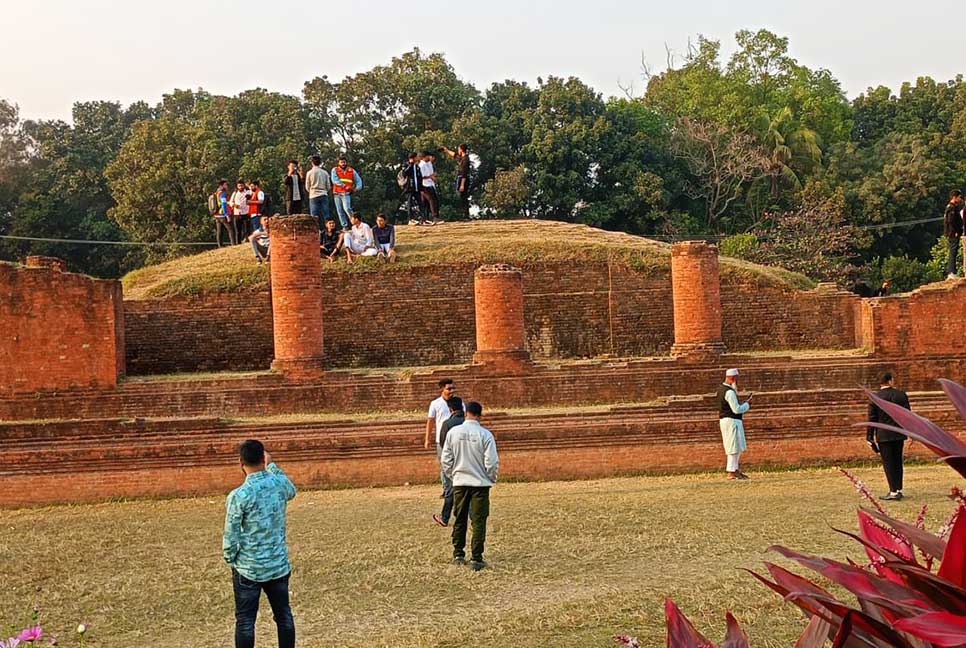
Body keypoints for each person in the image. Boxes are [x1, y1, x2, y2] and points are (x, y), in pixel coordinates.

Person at [222, 439, 297, 648]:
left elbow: (231, 534)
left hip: (249, 567)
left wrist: (231, 558)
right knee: (284, 616)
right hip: (277, 564)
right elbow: (291, 489)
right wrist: (272, 465)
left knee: (246, 621)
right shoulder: (278, 484)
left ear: (241, 462)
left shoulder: (239, 495)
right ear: (263, 459)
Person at [441, 400, 499, 571]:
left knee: (460, 518)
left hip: (460, 482)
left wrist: (453, 476)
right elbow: (492, 462)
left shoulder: (454, 432)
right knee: (479, 520)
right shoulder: (485, 435)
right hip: (480, 484)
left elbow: (446, 460)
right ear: (480, 415)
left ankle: (458, 553)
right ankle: (476, 557)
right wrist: (490, 478)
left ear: (466, 413)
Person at [867, 372, 912, 501]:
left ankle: (893, 491)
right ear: (890, 381)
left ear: (880, 382)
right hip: (898, 433)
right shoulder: (901, 395)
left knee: (888, 463)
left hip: (883, 434)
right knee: (898, 461)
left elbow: (872, 419)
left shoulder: (875, 397)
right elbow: (907, 414)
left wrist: (869, 437)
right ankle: (898, 489)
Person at [433, 395, 464, 527]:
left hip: (452, 461)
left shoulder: (447, 424)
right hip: (468, 461)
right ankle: (473, 519)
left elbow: (443, 443)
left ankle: (445, 518)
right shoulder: (469, 423)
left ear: (450, 408)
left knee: (451, 490)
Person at [717, 368, 752, 480]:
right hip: (731, 421)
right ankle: (731, 471)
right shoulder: (729, 392)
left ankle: (735, 469)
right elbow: (736, 409)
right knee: (733, 446)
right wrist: (747, 405)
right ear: (733, 378)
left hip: (726, 421)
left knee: (735, 445)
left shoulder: (721, 390)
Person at [331, 156, 363, 231]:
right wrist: (344, 186)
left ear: (346, 162)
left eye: (344, 162)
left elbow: (358, 180)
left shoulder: (351, 170)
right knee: (340, 211)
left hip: (346, 193)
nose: (343, 164)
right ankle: (345, 226)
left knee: (347, 208)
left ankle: (355, 223)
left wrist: (357, 188)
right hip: (337, 192)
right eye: (341, 162)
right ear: (338, 163)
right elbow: (334, 180)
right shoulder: (334, 170)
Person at [441, 144, 471, 217]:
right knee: (462, 196)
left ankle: (466, 214)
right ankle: (465, 214)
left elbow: (464, 173)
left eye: (458, 149)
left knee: (464, 196)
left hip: (463, 179)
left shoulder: (466, 159)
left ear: (461, 149)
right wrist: (446, 150)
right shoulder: (461, 157)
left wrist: (462, 184)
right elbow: (454, 155)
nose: (458, 151)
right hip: (461, 178)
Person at [305, 155, 332, 225]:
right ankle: (328, 229)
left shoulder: (309, 173)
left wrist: (311, 191)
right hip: (323, 193)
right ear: (320, 163)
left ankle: (315, 230)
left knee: (314, 216)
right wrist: (325, 190)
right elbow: (328, 186)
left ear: (312, 163)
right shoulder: (325, 173)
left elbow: (307, 186)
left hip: (313, 194)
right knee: (326, 214)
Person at [398, 152, 423, 225]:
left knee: (420, 203)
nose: (418, 158)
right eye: (416, 157)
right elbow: (405, 173)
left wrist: (420, 187)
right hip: (409, 188)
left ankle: (423, 218)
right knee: (409, 203)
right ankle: (410, 219)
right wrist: (410, 165)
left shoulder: (417, 166)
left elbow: (419, 177)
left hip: (416, 187)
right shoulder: (406, 165)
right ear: (413, 158)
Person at [944, 189, 964, 279]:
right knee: (953, 252)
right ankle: (951, 272)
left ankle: (952, 271)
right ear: (954, 197)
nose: (960, 199)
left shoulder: (953, 207)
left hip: (954, 232)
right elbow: (950, 221)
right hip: (953, 233)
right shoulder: (951, 207)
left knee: (954, 252)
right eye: (959, 197)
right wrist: (955, 231)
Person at [211, 179, 236, 246]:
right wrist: (227, 215)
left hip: (217, 215)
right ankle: (233, 244)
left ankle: (220, 245)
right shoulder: (222, 193)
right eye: (226, 184)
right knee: (231, 230)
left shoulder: (216, 193)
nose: (227, 186)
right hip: (223, 214)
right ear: (222, 185)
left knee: (219, 231)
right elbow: (224, 204)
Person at [418, 150, 441, 225]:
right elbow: (422, 176)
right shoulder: (422, 165)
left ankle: (425, 218)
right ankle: (435, 217)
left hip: (430, 184)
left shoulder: (429, 163)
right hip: (425, 185)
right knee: (432, 200)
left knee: (427, 202)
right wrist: (430, 176)